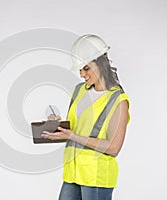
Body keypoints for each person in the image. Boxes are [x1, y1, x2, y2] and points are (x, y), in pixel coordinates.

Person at [42, 34, 130, 200]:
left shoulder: (118, 100)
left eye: (86, 68)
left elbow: (113, 148)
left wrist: (72, 135)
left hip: (96, 176)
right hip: (72, 172)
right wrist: (59, 126)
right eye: (80, 69)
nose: (82, 74)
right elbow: (78, 129)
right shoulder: (79, 90)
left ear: (101, 64)